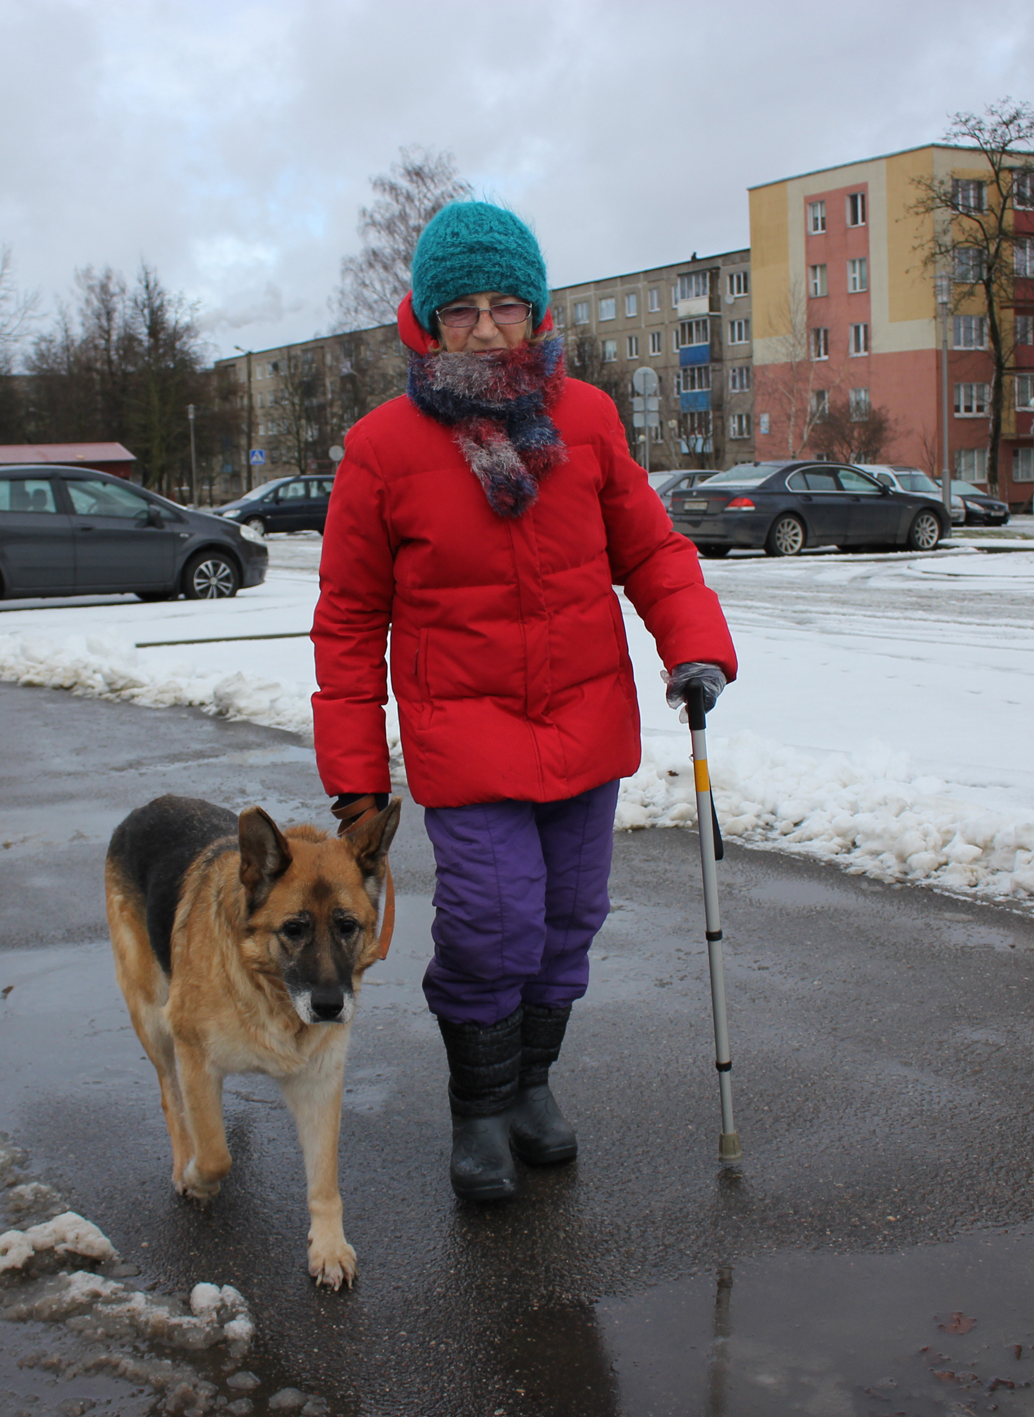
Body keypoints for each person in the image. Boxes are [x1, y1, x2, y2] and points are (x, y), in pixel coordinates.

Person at [312, 201, 737, 1202]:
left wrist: (695, 648)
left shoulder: (584, 419)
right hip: (465, 735)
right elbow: (346, 621)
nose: (488, 327)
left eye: (506, 303)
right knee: (489, 923)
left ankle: (531, 1084)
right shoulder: (381, 448)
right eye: (461, 309)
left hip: (584, 721)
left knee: (568, 918)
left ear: (536, 309)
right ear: (425, 320)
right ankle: (477, 1110)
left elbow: (649, 548)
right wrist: (356, 778)